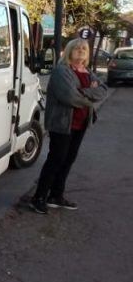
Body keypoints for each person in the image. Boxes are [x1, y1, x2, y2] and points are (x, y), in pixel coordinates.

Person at [30, 38, 108, 213]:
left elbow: (103, 90)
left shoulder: (87, 72)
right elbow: (70, 97)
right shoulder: (61, 71)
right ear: (70, 51)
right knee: (56, 160)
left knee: (68, 160)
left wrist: (84, 92)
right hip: (62, 124)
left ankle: (56, 195)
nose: (81, 51)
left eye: (84, 48)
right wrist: (90, 94)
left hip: (80, 124)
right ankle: (39, 197)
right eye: (77, 48)